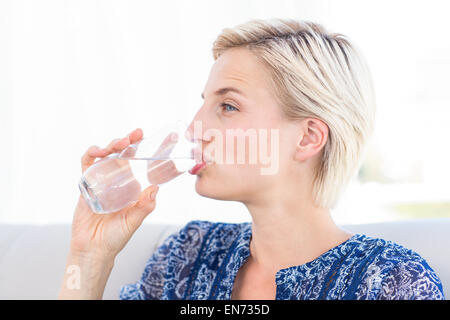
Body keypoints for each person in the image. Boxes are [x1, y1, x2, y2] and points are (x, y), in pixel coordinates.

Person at [58, 18, 445, 300]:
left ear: (308, 138)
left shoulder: (392, 282)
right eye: (203, 103)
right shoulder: (189, 254)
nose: (194, 127)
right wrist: (88, 255)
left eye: (227, 105)